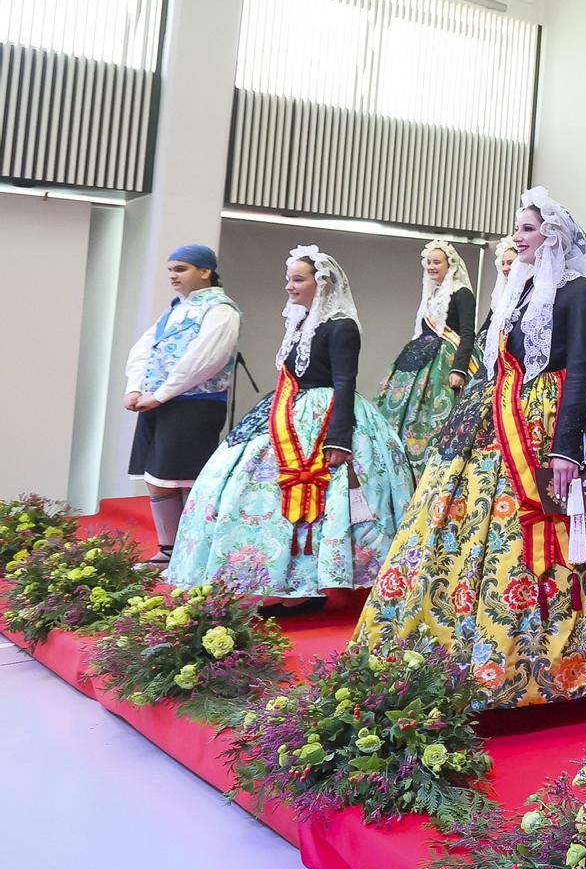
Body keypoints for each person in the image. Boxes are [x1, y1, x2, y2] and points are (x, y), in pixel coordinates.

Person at [355, 189, 586, 708]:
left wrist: (565, 449)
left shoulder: (580, 290)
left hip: (560, 418)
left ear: (552, 234)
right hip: (503, 408)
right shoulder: (521, 281)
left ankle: (576, 655)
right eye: (518, 227)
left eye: (529, 228)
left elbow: (578, 367)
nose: (518, 236)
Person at [168, 247, 410, 613]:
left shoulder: (341, 325)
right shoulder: (300, 322)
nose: (289, 286)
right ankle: (287, 582)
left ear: (322, 283)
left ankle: (315, 583)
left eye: (298, 279)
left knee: (333, 503)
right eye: (289, 279)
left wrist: (339, 438)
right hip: (288, 408)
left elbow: (345, 382)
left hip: (326, 417)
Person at [123, 244, 241, 570]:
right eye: (171, 270)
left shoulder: (220, 310)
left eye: (181, 269)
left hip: (195, 404)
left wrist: (161, 394)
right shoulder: (175, 308)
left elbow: (202, 361)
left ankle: (193, 553)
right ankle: (168, 549)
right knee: (157, 478)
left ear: (205, 271)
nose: (173, 276)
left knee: (186, 479)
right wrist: (134, 387)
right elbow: (145, 348)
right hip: (159, 402)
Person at [377, 240, 476, 471]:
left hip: (445, 362)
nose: (432, 266)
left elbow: (467, 333)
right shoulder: (432, 295)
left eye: (437, 262)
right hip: (420, 360)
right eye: (429, 262)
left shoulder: (462, 294)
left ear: (449, 264)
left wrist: (459, 369)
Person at [453, 237, 516, 385]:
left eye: (511, 263)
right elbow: (485, 329)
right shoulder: (500, 296)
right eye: (503, 263)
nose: (505, 268)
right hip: (492, 361)